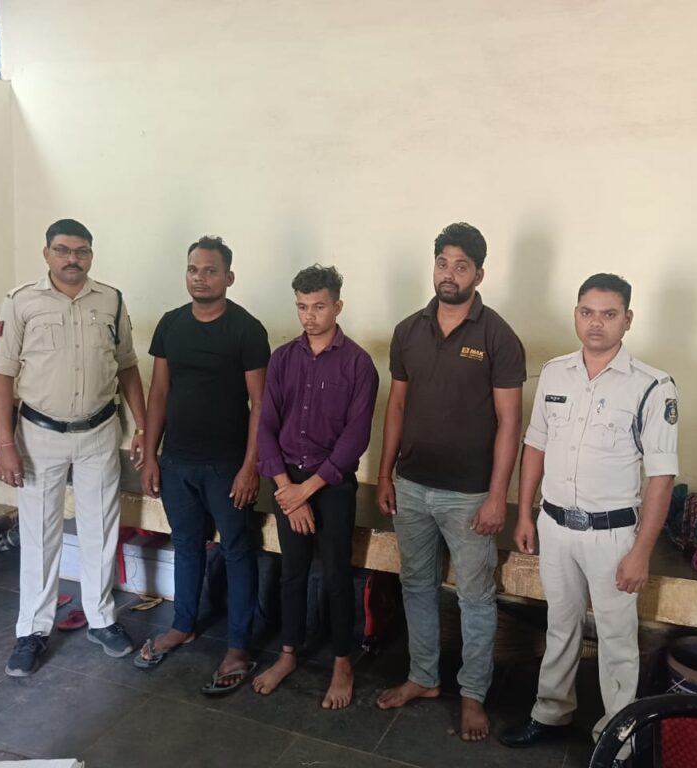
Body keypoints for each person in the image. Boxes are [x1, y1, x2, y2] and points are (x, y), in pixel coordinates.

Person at [499, 273, 678, 759]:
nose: (596, 323)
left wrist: (640, 552)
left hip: (613, 536)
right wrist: (525, 514)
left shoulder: (651, 386)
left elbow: (662, 478)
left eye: (608, 314)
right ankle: (550, 713)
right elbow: (535, 445)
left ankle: (617, 741)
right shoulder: (555, 373)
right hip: (555, 526)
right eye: (587, 312)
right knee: (560, 626)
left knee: (618, 640)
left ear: (628, 320)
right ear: (576, 314)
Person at [375, 222, 526, 741]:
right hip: (412, 485)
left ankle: (473, 694)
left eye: (461, 266)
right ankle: (423, 677)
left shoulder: (498, 336)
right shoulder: (408, 331)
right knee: (416, 585)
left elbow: (510, 423)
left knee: (475, 597)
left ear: (479, 274)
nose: (449, 274)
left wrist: (498, 496)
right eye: (443, 263)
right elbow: (397, 407)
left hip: (470, 496)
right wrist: (385, 474)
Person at [0, 218, 147, 676]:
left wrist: (142, 426)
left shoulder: (111, 300)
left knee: (101, 528)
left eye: (81, 251)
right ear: (47, 254)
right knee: (40, 533)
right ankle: (33, 630)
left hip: (98, 431)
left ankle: (101, 619)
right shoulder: (20, 301)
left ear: (91, 255)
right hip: (39, 434)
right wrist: (5, 443)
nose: (72, 259)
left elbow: (127, 367)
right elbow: (2, 375)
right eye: (62, 250)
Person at [135, 235, 269, 695]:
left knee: (237, 549)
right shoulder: (171, 324)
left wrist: (250, 467)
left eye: (210, 270)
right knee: (187, 545)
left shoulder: (246, 329)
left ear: (229, 277)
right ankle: (183, 624)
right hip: (177, 462)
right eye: (193, 269)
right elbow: (158, 393)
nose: (200, 278)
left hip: (227, 466)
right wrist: (151, 456)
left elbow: (260, 404)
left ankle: (238, 645)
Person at [252, 265, 379, 710]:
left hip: (331, 485)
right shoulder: (283, 358)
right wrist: (286, 487)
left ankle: (343, 663)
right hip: (286, 479)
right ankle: (288, 653)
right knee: (292, 571)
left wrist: (305, 492)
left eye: (319, 306)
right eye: (302, 307)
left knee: (337, 574)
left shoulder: (358, 364)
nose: (309, 316)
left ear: (337, 306)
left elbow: (355, 439)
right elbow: (266, 426)